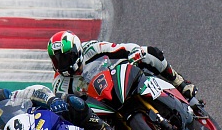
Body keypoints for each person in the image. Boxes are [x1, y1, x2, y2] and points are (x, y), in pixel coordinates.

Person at [47, 30, 198, 100]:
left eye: (64, 58)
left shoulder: (91, 48)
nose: (61, 64)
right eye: (56, 60)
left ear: (76, 52)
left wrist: (134, 52)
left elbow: (120, 48)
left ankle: (179, 82)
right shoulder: (59, 84)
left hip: (118, 80)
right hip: (101, 106)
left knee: (150, 52)